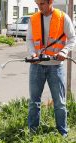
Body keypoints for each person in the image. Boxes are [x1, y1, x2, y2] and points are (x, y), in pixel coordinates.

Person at [26, 0, 76, 136]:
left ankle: (63, 134)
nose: (39, 7)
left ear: (50, 2)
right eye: (37, 4)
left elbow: (72, 38)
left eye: (42, 4)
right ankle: (32, 133)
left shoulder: (63, 17)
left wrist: (64, 52)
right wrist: (32, 54)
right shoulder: (33, 19)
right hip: (37, 66)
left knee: (59, 102)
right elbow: (29, 39)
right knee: (34, 102)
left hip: (56, 67)